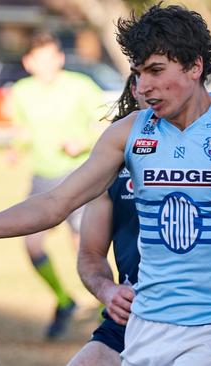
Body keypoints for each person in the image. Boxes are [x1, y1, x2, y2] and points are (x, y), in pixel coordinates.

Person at [0, 4, 211, 365]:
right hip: (144, 326)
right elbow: (57, 201)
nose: (143, 87)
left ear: (195, 66)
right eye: (138, 73)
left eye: (156, 71)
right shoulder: (129, 133)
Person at [4, 31, 106, 339]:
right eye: (39, 59)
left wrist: (83, 142)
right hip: (42, 179)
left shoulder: (80, 87)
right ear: (28, 62)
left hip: (77, 176)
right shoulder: (21, 92)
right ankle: (64, 301)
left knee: (83, 249)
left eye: (51, 58)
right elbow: (24, 130)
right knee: (32, 244)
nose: (47, 65)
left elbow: (105, 123)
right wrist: (16, 149)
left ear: (59, 58)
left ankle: (108, 309)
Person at [67, 74, 144, 366]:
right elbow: (90, 254)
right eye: (141, 77)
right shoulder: (114, 163)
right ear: (133, 89)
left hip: (202, 323)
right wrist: (107, 291)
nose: (149, 87)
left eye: (158, 72)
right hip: (130, 315)